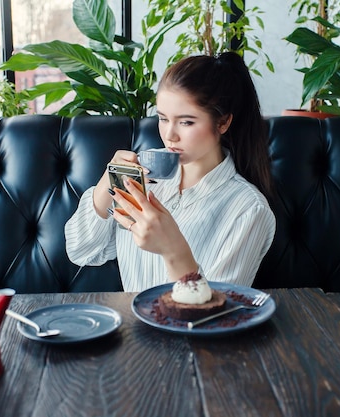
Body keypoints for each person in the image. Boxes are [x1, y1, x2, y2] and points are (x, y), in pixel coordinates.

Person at [65, 52, 276, 292]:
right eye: (163, 119)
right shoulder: (143, 178)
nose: (170, 135)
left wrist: (173, 249)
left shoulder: (248, 209)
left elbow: (218, 313)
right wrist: (107, 183)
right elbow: (80, 251)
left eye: (186, 122)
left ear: (223, 123)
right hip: (131, 324)